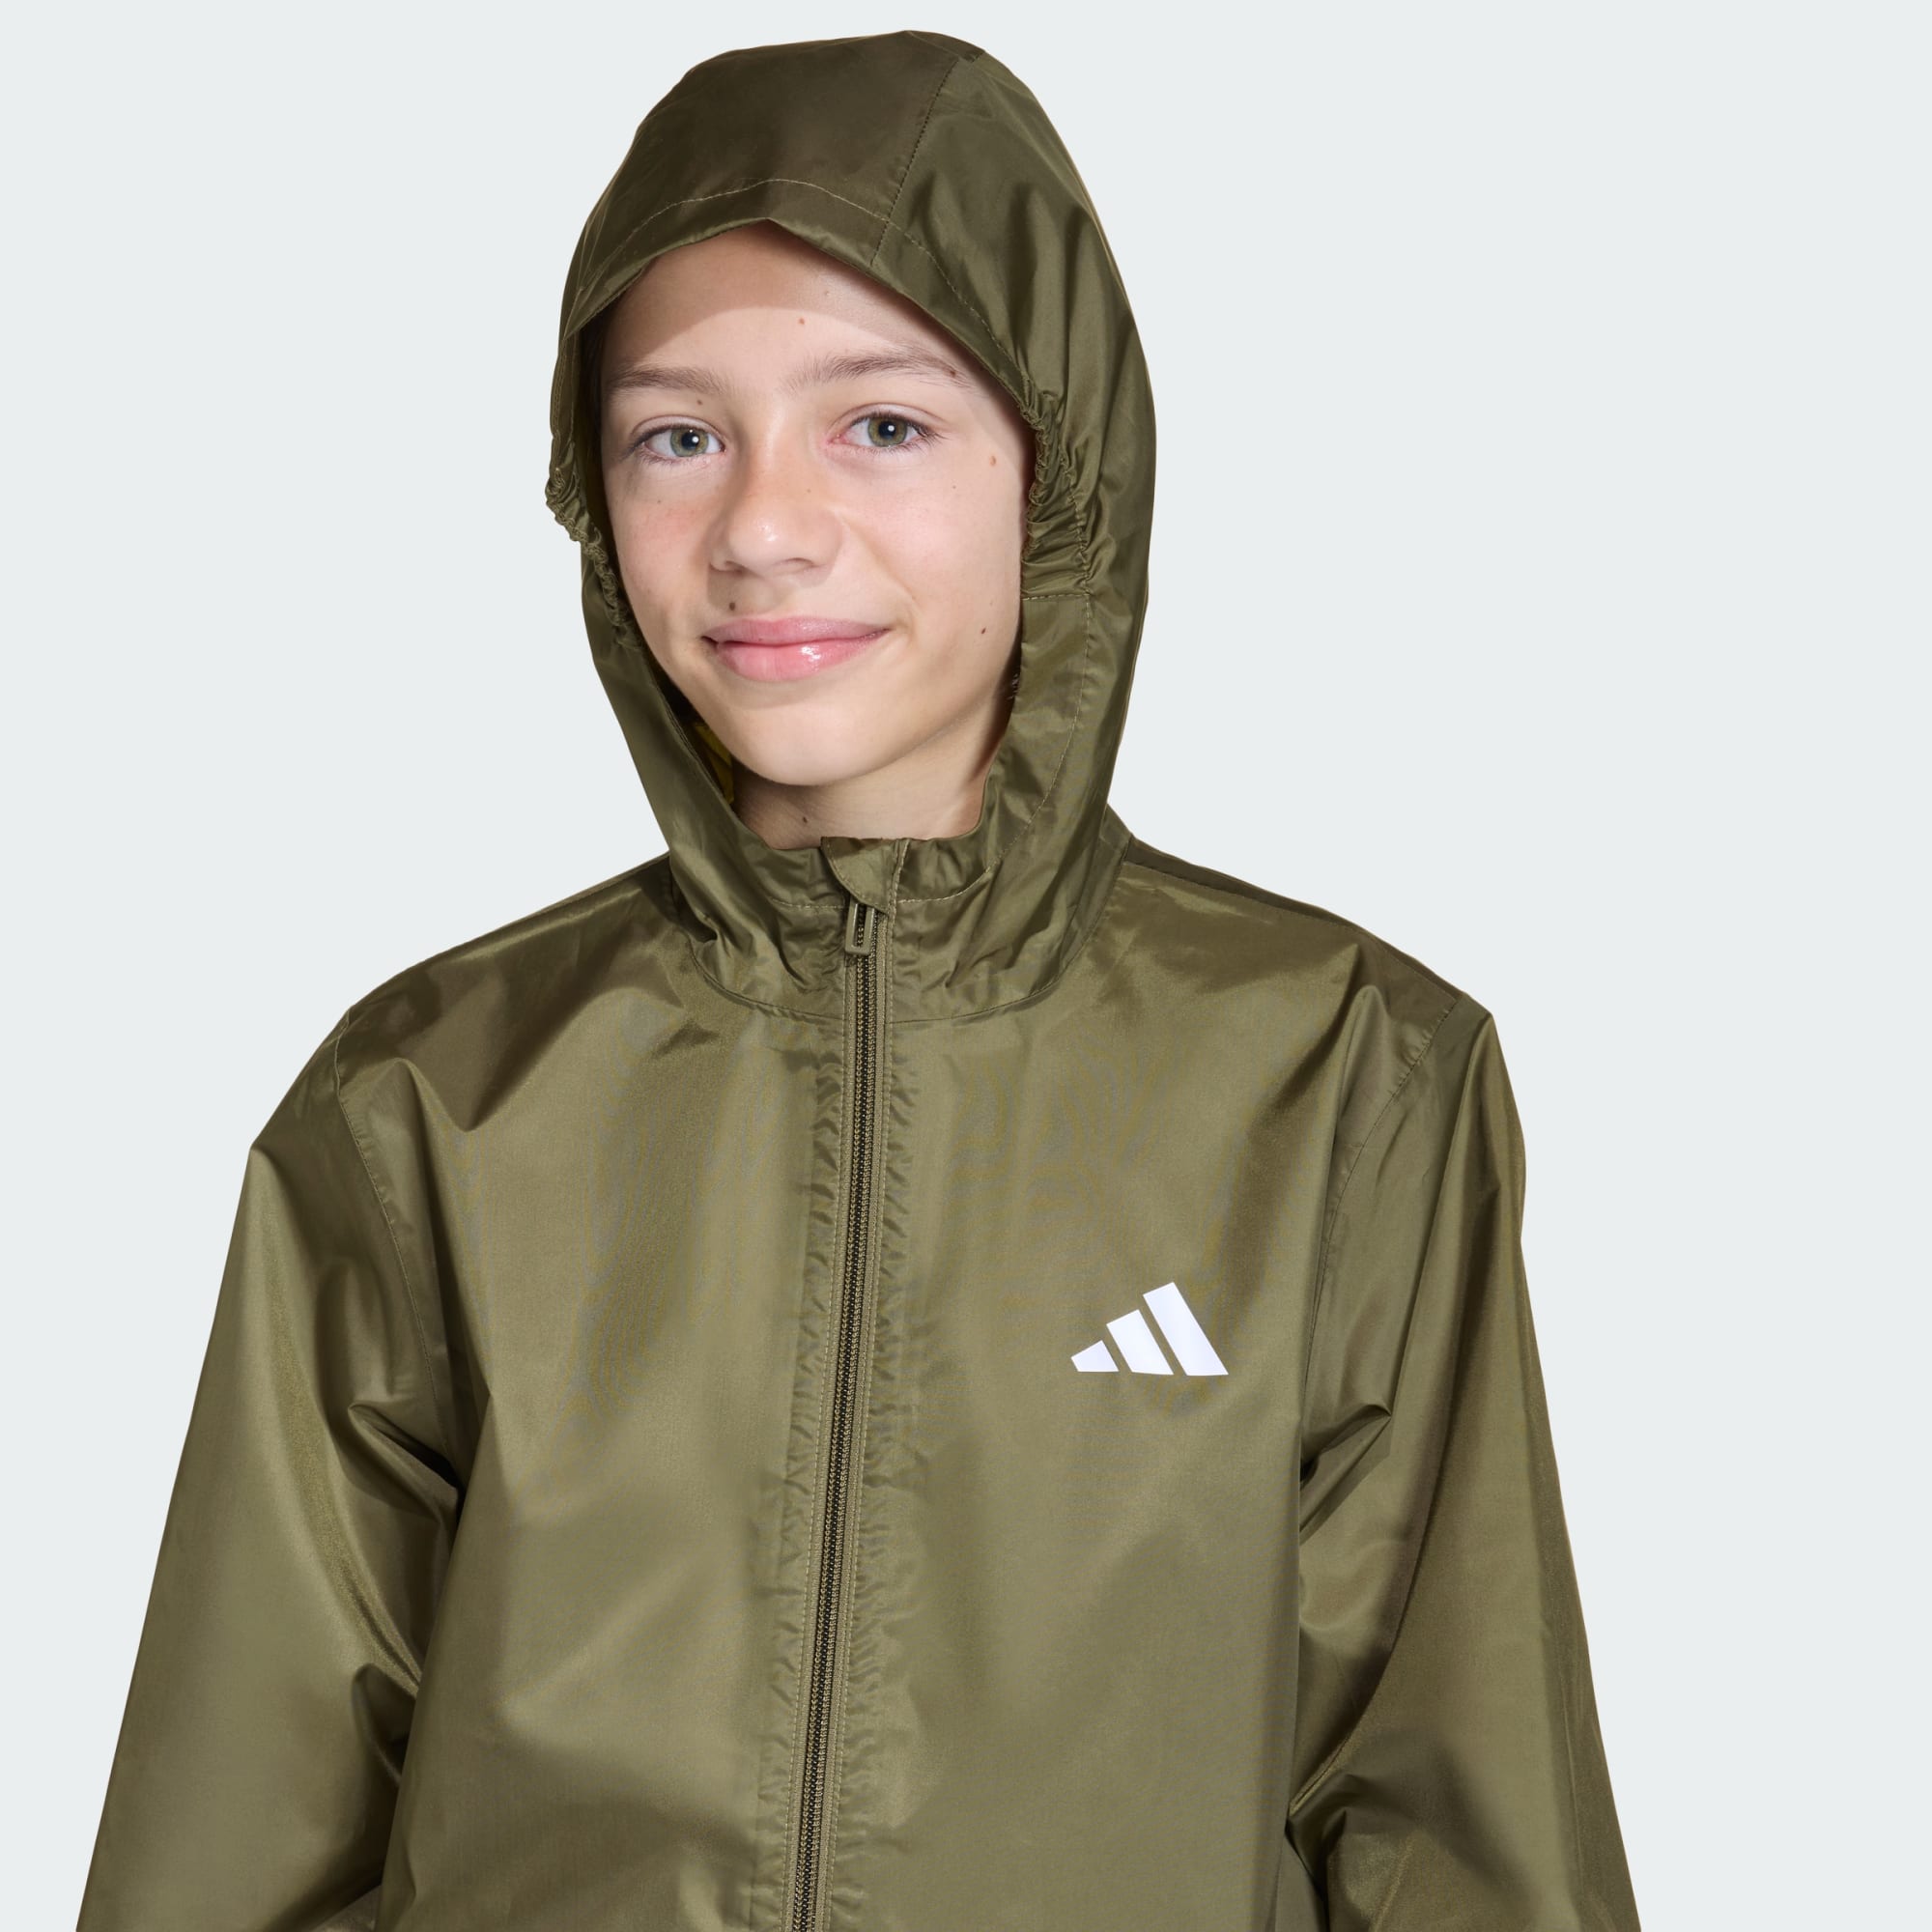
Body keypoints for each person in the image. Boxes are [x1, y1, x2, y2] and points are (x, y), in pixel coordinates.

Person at [77, 29, 1641, 1932]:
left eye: (879, 424)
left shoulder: (1343, 1081)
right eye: (677, 436)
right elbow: (235, 1845)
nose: (761, 526)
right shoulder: (433, 1103)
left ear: (1056, 464)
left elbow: (1459, 1826)